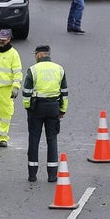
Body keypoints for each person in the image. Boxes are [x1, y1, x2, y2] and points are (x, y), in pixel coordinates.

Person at [22, 45, 69, 183]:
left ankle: (32, 174)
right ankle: (52, 175)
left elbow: (26, 92)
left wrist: (28, 107)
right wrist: (62, 109)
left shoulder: (33, 69)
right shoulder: (59, 69)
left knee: (34, 140)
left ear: (39, 55)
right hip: (54, 107)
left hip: (36, 107)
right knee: (52, 140)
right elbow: (64, 91)